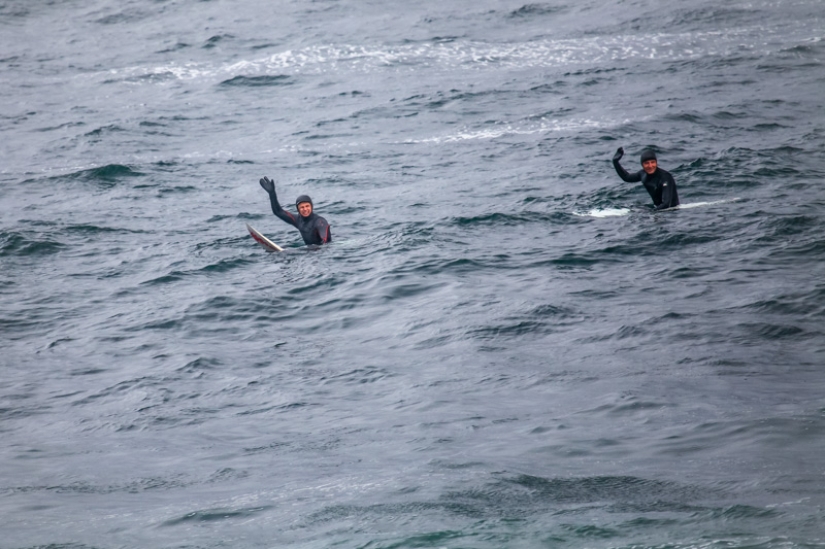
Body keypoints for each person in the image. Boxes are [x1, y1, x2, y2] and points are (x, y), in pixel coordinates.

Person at [259, 176, 331, 245]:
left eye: (307, 206)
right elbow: (278, 212)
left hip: (323, 250)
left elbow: (325, 241)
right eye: (302, 207)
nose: (305, 209)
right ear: (298, 209)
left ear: (311, 207)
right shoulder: (298, 220)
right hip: (309, 250)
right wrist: (272, 194)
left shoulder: (319, 221)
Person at [612, 147, 679, 210]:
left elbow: (666, 204)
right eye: (646, 163)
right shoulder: (642, 174)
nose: (650, 166)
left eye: (652, 162)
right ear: (642, 165)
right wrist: (615, 162)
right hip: (658, 210)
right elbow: (626, 177)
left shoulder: (665, 177)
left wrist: (651, 213)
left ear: (656, 163)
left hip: (671, 212)